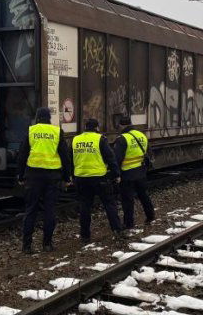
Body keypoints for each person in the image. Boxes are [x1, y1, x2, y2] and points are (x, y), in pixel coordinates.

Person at [16, 107, 71, 254]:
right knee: (49, 210)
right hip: (52, 178)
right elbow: (65, 157)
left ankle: (26, 246)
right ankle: (47, 244)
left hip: (33, 176)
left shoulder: (31, 131)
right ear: (49, 118)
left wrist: (20, 175)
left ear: (37, 118)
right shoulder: (57, 132)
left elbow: (22, 155)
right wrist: (67, 177)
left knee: (31, 210)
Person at [71, 118, 124, 243]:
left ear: (85, 127)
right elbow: (110, 157)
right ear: (96, 128)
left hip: (81, 178)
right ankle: (117, 230)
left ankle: (85, 236)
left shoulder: (75, 140)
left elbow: (70, 158)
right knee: (109, 204)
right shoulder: (100, 139)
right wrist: (116, 174)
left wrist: (71, 176)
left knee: (85, 207)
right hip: (99, 178)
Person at [113, 116, 156, 230]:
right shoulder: (141, 135)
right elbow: (149, 152)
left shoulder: (122, 139)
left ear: (122, 125)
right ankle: (151, 215)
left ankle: (129, 223)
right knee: (144, 195)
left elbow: (117, 159)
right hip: (141, 172)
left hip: (127, 174)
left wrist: (115, 174)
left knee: (127, 200)